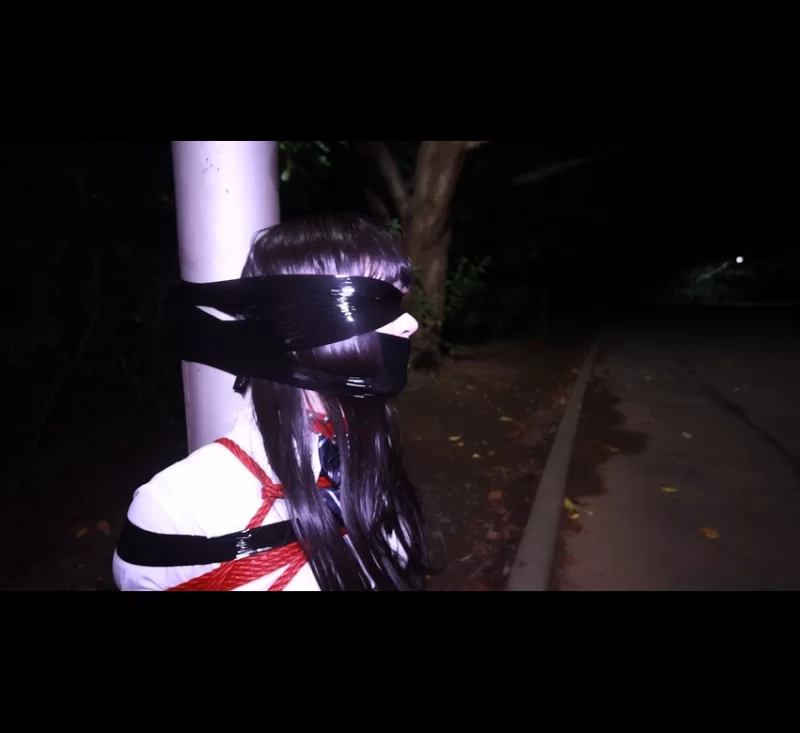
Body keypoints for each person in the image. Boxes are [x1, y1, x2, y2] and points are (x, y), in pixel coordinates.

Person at [112, 213, 432, 591]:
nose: (409, 323)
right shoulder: (174, 512)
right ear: (294, 323)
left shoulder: (369, 451)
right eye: (378, 301)